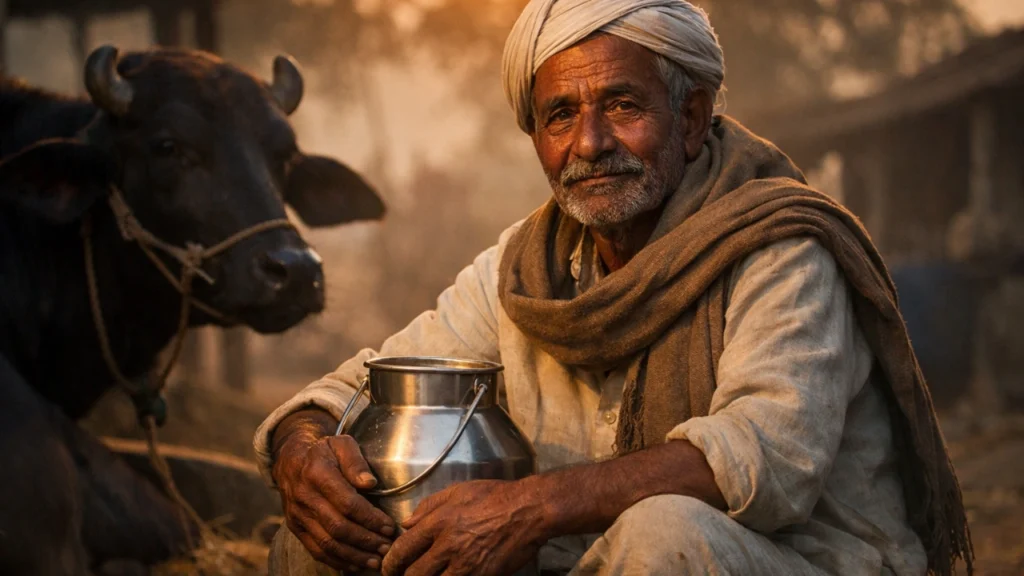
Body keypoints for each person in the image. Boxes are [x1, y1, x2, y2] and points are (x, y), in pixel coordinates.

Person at [254, 1, 973, 574]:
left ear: (690, 118)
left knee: (664, 535)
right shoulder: (526, 267)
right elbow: (374, 380)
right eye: (560, 115)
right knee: (319, 545)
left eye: (623, 106)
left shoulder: (778, 247)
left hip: (799, 562)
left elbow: (766, 459)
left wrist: (531, 508)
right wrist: (303, 447)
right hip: (590, 561)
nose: (589, 143)